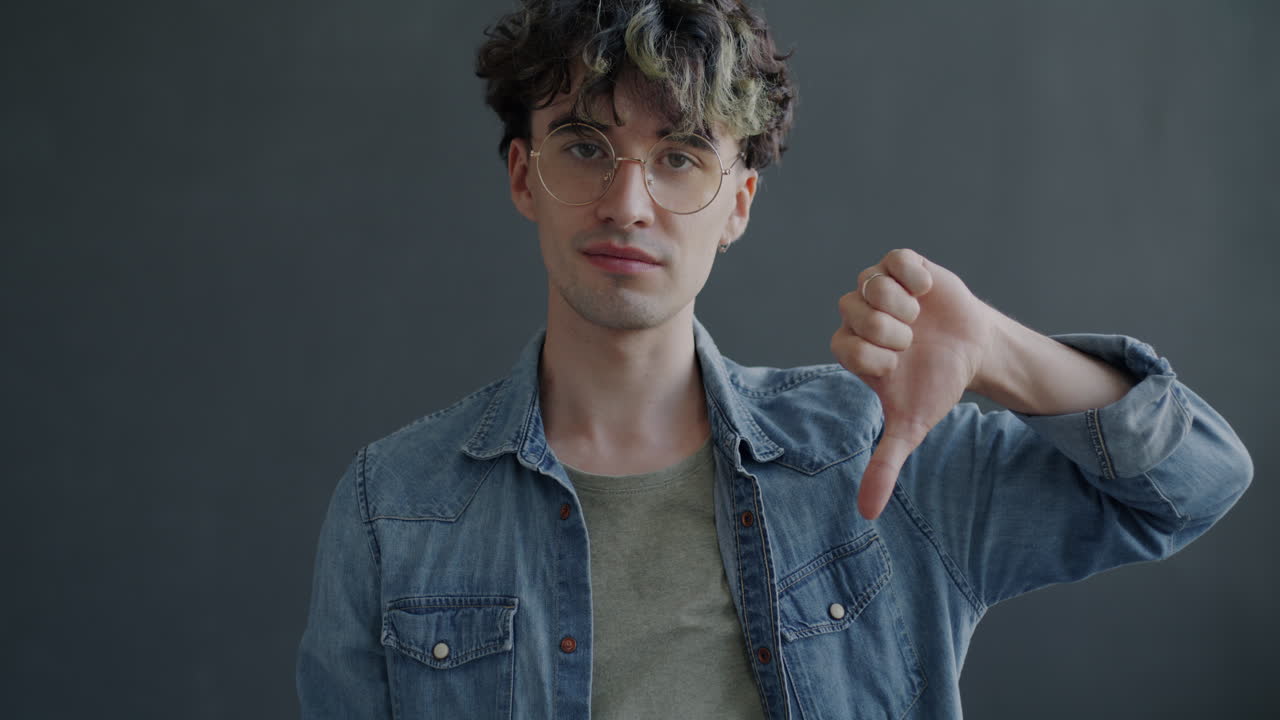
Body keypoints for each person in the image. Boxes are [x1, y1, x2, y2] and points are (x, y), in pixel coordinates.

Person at [296, 1, 1252, 718]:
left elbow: (1201, 480)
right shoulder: (395, 503)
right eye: (585, 147)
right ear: (523, 176)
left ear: (739, 204)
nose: (628, 202)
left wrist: (1002, 352)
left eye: (678, 157)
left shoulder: (876, 454)